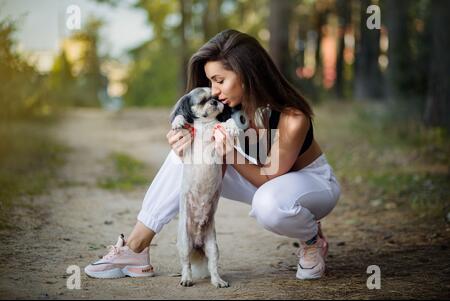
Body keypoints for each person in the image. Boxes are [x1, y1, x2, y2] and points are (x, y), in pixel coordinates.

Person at [85, 29, 340, 280]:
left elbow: (269, 178)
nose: (215, 91)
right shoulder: (227, 109)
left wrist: (228, 154)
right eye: (210, 82)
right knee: (189, 156)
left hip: (310, 184)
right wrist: (181, 141)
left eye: (220, 80)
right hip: (263, 182)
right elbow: (202, 154)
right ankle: (135, 247)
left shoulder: (292, 118)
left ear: (246, 72)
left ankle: (311, 240)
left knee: (270, 205)